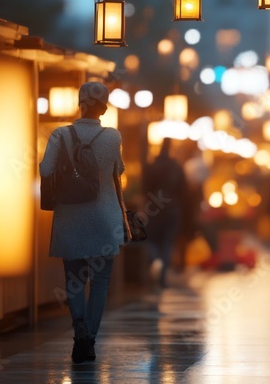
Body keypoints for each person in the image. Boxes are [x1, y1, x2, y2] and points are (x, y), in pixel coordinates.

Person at [39, 82, 124, 364]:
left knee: (74, 280)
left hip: (71, 217)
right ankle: (90, 341)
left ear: (81, 103)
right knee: (100, 282)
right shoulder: (113, 137)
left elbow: (46, 169)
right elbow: (118, 171)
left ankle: (80, 335)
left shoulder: (60, 134)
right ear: (103, 108)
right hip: (105, 217)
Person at [143, 138, 187, 288]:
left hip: (153, 208)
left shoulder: (152, 166)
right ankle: (162, 276)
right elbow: (183, 190)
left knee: (151, 240)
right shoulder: (176, 167)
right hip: (172, 207)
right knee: (167, 242)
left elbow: (145, 188)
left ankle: (154, 262)